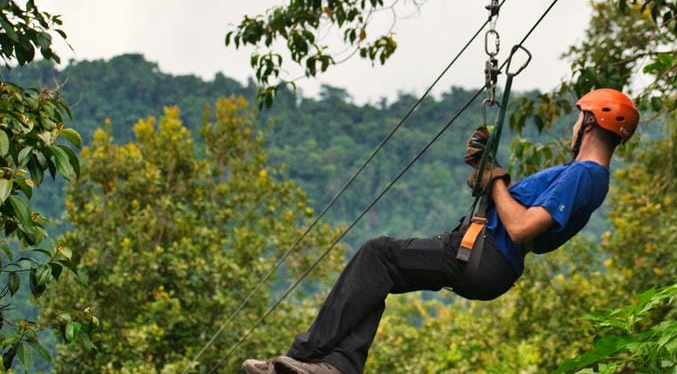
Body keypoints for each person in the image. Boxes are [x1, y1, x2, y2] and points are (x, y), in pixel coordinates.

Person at [242, 88, 639, 374]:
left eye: (577, 116)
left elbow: (520, 228)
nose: (572, 125)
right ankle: (336, 364)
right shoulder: (582, 176)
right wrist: (488, 172)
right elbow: (516, 213)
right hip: (486, 256)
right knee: (380, 270)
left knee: (377, 255)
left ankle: (309, 357)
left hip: (488, 254)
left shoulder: (586, 175)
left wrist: (495, 177)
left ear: (589, 121)